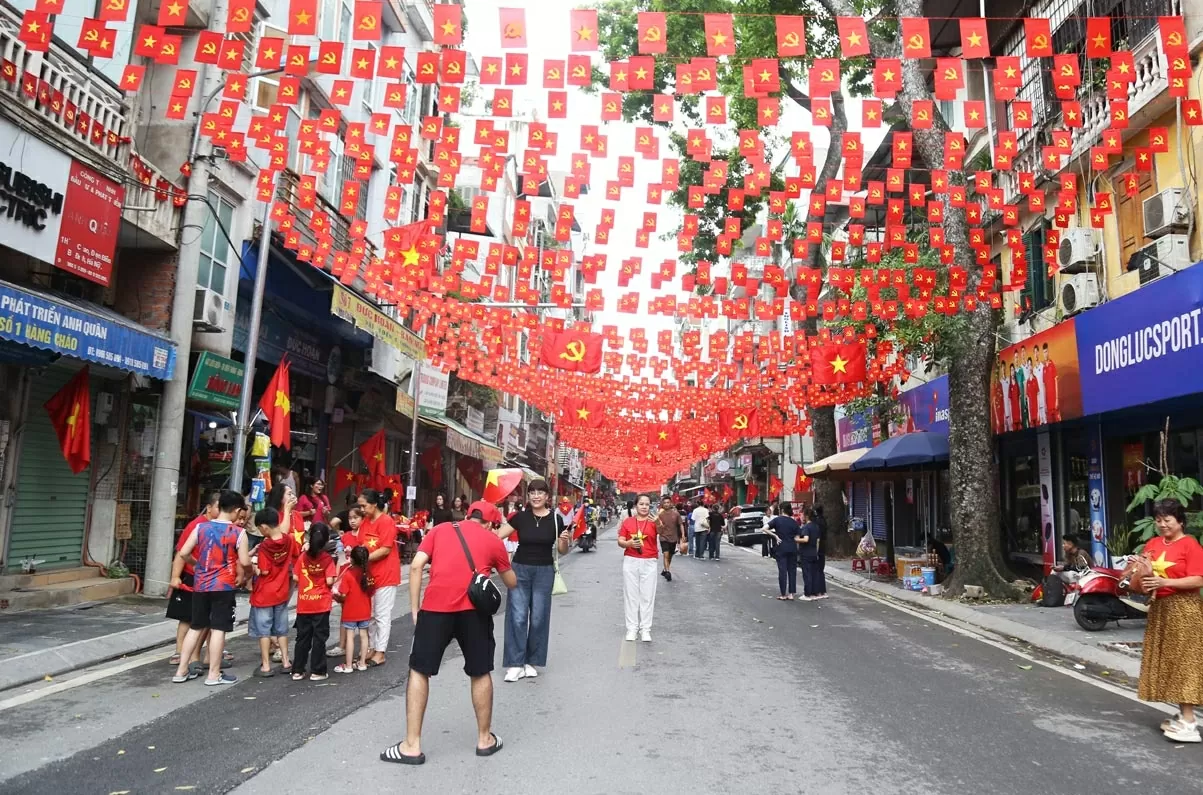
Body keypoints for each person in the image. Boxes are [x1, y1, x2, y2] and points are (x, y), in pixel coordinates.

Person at [380, 502, 516, 765]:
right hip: (474, 612)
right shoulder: (492, 540)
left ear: (466, 516)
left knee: (420, 670)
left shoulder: (440, 530)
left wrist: (415, 609)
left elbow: (417, 566)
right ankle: (484, 739)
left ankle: (411, 746)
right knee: (480, 671)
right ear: (490, 523)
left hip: (435, 608)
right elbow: (511, 582)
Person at [1137, 499, 1203, 743]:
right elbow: (1141, 570)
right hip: (1160, 609)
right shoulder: (1154, 543)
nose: (1162, 524)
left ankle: (1189, 721)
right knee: (1167, 662)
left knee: (1184, 662)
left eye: (1168, 520)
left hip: (1185, 611)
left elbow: (1198, 579)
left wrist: (1165, 583)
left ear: (1180, 521)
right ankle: (1183, 716)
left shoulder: (1191, 545)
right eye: (1158, 520)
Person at [171, 490, 250, 686]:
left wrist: (196, 564)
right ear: (237, 510)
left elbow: (183, 553)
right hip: (223, 586)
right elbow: (245, 561)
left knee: (196, 626)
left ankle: (181, 671)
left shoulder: (201, 528)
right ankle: (214, 674)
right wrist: (251, 571)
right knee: (218, 629)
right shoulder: (238, 533)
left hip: (201, 585)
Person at [496, 478, 570, 682]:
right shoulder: (520, 517)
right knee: (517, 616)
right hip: (519, 570)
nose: (536, 496)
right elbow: (497, 538)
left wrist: (564, 541)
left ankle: (531, 662)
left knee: (538, 618)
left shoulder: (556, 520)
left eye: (540, 492)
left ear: (547, 496)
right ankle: (514, 663)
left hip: (545, 571)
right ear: (528, 496)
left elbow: (562, 551)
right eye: (532, 492)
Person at [166, 491, 219, 668]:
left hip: (210, 578)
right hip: (192, 576)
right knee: (187, 616)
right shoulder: (196, 525)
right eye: (219, 507)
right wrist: (175, 577)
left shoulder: (220, 526)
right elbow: (181, 553)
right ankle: (180, 651)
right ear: (210, 508)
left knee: (208, 618)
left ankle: (206, 654)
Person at [249, 506, 297, 678]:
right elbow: (295, 555)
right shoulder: (290, 540)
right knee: (281, 629)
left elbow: (264, 571)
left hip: (264, 593)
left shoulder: (265, 547)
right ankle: (286, 662)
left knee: (264, 631)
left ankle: (266, 666)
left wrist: (253, 565)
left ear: (264, 527)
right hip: (282, 590)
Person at [359, 489, 401, 666]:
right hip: (370, 574)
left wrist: (364, 558)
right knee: (370, 614)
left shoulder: (387, 522)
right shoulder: (366, 522)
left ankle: (380, 651)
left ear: (374, 504)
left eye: (364, 505)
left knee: (381, 614)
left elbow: (385, 549)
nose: (361, 509)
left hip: (386, 574)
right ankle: (371, 647)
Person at [292, 523, 336, 681]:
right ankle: (318, 671)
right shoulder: (327, 559)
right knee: (319, 638)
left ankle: (297, 670)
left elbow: (296, 577)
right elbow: (330, 581)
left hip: (304, 604)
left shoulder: (303, 556)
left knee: (302, 638)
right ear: (325, 541)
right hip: (321, 605)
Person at [619, 495, 659, 641]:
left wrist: (658, 522)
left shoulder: (654, 521)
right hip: (631, 560)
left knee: (647, 596)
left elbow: (665, 533)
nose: (644, 507)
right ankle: (631, 629)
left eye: (647, 504)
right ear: (635, 506)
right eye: (641, 504)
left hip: (649, 561)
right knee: (631, 596)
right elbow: (620, 540)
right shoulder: (628, 522)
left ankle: (645, 629)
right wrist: (628, 543)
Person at [334, 545, 373, 673]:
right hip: (365, 610)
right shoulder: (369, 574)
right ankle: (362, 663)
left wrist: (336, 597)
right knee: (364, 636)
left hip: (350, 611)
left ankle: (349, 665)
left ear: (352, 559)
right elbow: (372, 591)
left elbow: (343, 594)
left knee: (350, 637)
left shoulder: (348, 574)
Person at [763, 502, 805, 600]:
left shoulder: (777, 520)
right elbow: (797, 537)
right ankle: (791, 594)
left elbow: (764, 529)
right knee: (792, 571)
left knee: (782, 571)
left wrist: (775, 535)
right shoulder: (794, 522)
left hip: (781, 548)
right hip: (792, 548)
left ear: (781, 510)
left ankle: (783, 594)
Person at [654, 495, 685, 582]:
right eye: (665, 503)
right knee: (666, 554)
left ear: (671, 503)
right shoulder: (660, 514)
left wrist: (683, 534)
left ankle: (665, 569)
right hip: (663, 537)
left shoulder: (676, 514)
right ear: (662, 504)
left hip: (673, 538)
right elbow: (656, 525)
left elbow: (681, 524)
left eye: (668, 502)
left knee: (670, 555)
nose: (666, 504)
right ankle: (667, 572)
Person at [798, 507, 825, 601]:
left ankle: (807, 594)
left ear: (806, 516)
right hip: (814, 553)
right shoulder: (816, 526)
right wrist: (816, 552)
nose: (801, 516)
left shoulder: (806, 527)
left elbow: (806, 539)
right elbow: (818, 541)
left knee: (807, 574)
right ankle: (814, 592)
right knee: (814, 574)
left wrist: (796, 539)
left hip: (806, 553)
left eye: (802, 515)